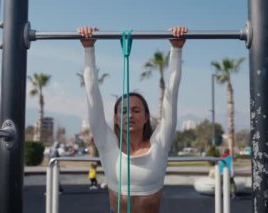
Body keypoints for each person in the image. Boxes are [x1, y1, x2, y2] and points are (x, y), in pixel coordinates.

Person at [78, 26, 187, 213]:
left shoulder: (159, 144)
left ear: (146, 117)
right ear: (116, 118)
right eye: (124, 111)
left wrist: (176, 50)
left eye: (136, 110)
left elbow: (172, 94)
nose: (129, 115)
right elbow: (92, 93)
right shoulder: (107, 144)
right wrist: (88, 48)